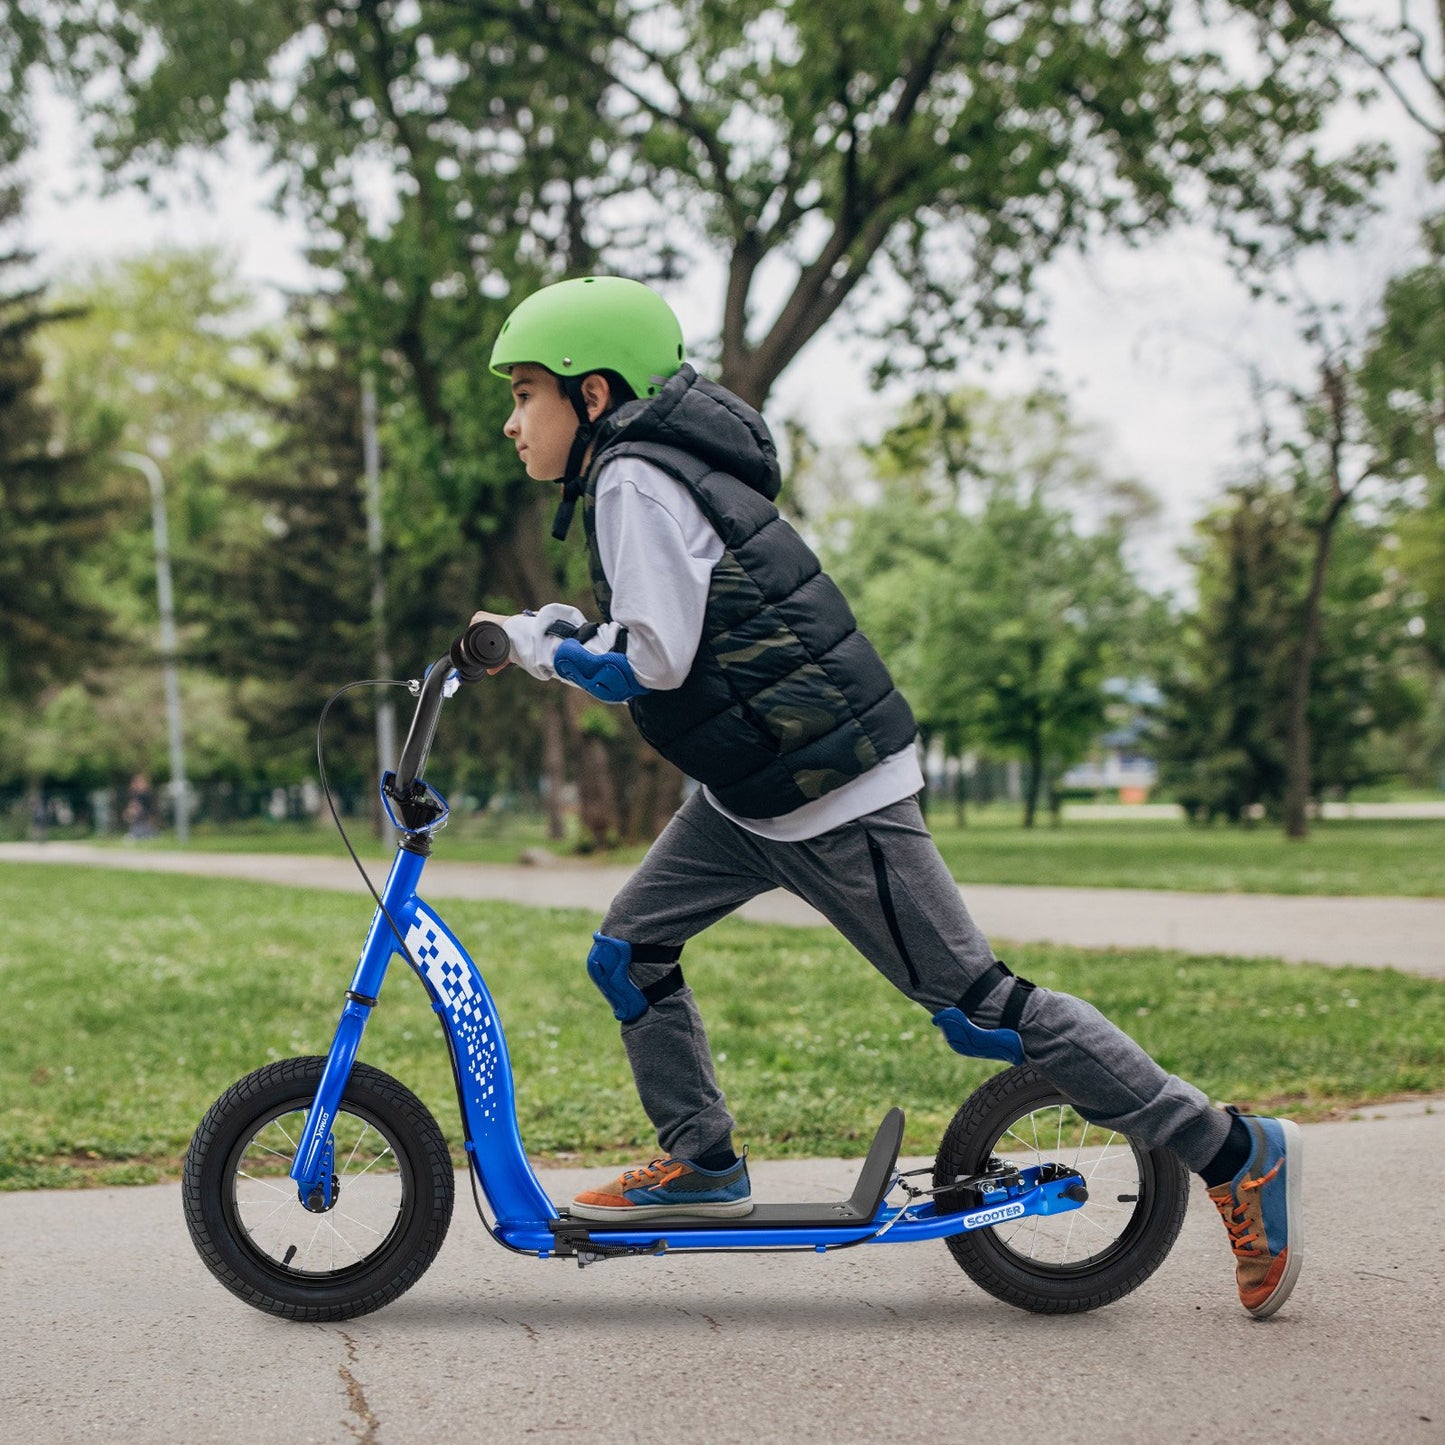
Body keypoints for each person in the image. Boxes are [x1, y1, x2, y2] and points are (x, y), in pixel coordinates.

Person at [471, 275, 1302, 1319]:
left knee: (979, 1008)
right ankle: (704, 1160)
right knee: (628, 951)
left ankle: (1236, 1150)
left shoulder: (633, 475)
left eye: (526, 394)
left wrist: (547, 647)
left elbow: (657, 657)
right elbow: (676, 623)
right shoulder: (644, 472)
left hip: (830, 796)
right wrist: (557, 631)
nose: (511, 421)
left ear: (592, 396)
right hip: (753, 789)